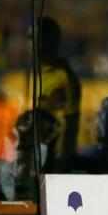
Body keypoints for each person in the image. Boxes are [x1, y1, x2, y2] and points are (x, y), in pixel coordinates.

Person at [36, 16, 81, 172]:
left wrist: (60, 164)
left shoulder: (64, 77)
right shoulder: (32, 74)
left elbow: (70, 124)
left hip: (51, 160)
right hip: (35, 156)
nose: (32, 43)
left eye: (38, 38)